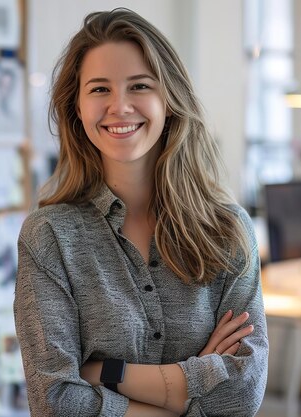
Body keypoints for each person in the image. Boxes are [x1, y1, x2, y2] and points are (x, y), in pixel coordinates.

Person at [14, 8, 268, 417]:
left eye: (139, 86)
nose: (120, 106)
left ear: (168, 100)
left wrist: (106, 373)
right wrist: (196, 380)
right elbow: (55, 402)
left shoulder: (228, 229)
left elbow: (242, 394)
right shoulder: (50, 238)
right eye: (99, 89)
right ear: (77, 108)